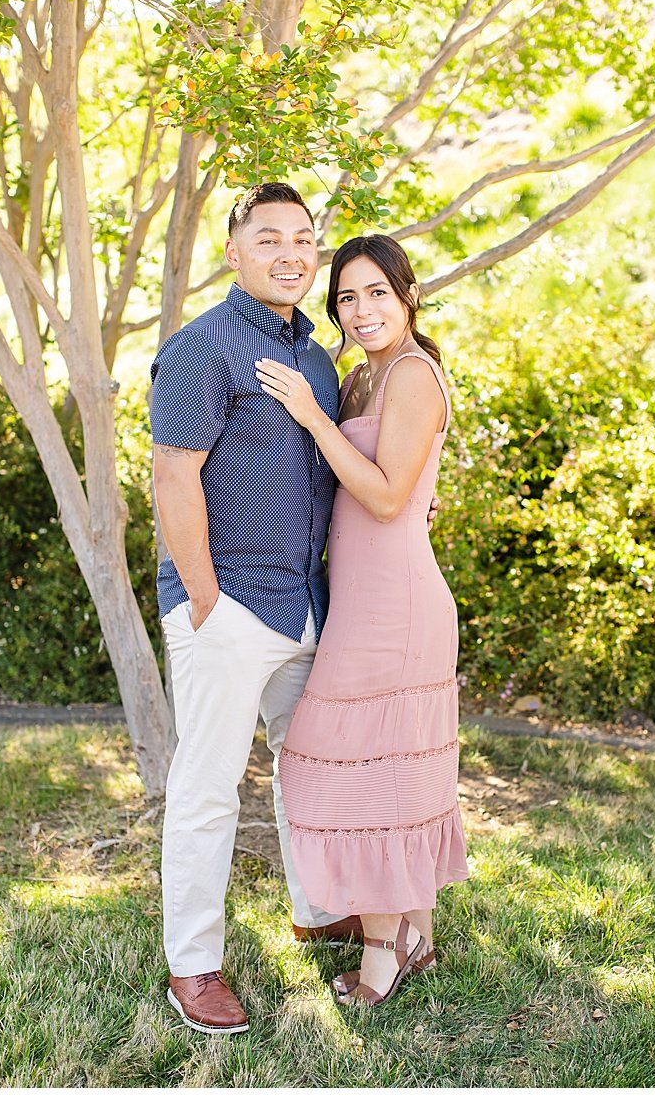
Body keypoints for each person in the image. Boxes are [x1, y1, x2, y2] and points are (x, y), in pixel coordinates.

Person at [152, 182, 364, 1036]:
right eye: (270, 238)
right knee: (205, 789)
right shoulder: (202, 348)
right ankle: (194, 965)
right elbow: (173, 475)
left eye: (305, 239)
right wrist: (205, 601)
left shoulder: (316, 359)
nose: (291, 253)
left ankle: (314, 909)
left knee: (304, 772)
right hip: (227, 602)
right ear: (234, 252)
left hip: (303, 601)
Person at [255, 233, 469, 1006]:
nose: (362, 308)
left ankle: (384, 954)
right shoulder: (357, 381)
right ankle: (416, 935)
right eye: (347, 296)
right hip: (360, 598)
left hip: (397, 608)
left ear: (407, 294)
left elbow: (383, 495)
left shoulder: (412, 375)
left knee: (356, 768)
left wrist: (312, 418)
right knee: (388, 769)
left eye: (377, 291)